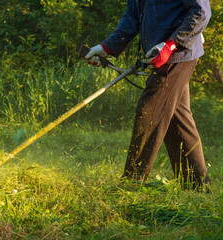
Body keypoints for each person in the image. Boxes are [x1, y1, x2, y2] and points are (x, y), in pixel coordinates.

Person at [84, 0, 211, 188]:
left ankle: (131, 183)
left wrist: (171, 45)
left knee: (150, 112)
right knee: (177, 119)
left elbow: (200, 12)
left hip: (178, 55)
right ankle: (197, 185)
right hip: (159, 54)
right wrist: (107, 48)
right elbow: (133, 16)